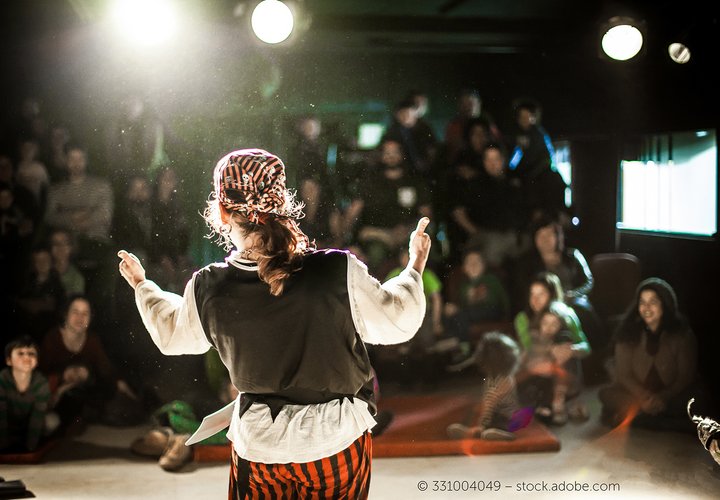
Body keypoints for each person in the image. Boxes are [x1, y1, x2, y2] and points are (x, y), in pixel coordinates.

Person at [117, 148, 430, 497]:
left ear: (222, 211)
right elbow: (396, 321)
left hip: (259, 449)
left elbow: (173, 334)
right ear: (282, 202)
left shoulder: (210, 286)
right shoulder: (336, 269)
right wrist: (414, 267)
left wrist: (143, 286)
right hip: (334, 444)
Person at [599, 278, 699, 431]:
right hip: (637, 395)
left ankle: (641, 417)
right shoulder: (627, 332)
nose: (646, 308)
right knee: (606, 394)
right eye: (642, 302)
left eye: (653, 302)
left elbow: (685, 376)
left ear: (665, 304)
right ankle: (655, 416)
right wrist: (643, 397)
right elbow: (624, 374)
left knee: (698, 400)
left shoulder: (682, 334)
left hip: (671, 394)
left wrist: (663, 397)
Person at [39, 295, 140, 431]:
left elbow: (105, 369)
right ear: (65, 314)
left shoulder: (92, 340)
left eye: (85, 313)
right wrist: (63, 377)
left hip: (80, 390)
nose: (80, 318)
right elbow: (41, 373)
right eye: (75, 312)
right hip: (56, 393)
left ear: (90, 318)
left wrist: (122, 386)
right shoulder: (53, 338)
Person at [446, 332, 526, 440]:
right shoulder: (491, 379)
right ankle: (482, 432)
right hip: (494, 416)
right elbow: (487, 402)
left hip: (506, 418)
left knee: (497, 420)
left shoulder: (506, 379)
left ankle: (502, 434)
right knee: (486, 423)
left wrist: (481, 424)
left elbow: (490, 403)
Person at [0, 335, 57, 453]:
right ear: (9, 360)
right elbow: (1, 414)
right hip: (7, 424)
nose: (27, 357)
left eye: (31, 354)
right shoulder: (2, 380)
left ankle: (29, 442)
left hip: (26, 424)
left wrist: (30, 447)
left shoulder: (41, 383)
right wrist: (3, 446)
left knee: (52, 421)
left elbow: (38, 414)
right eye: (20, 353)